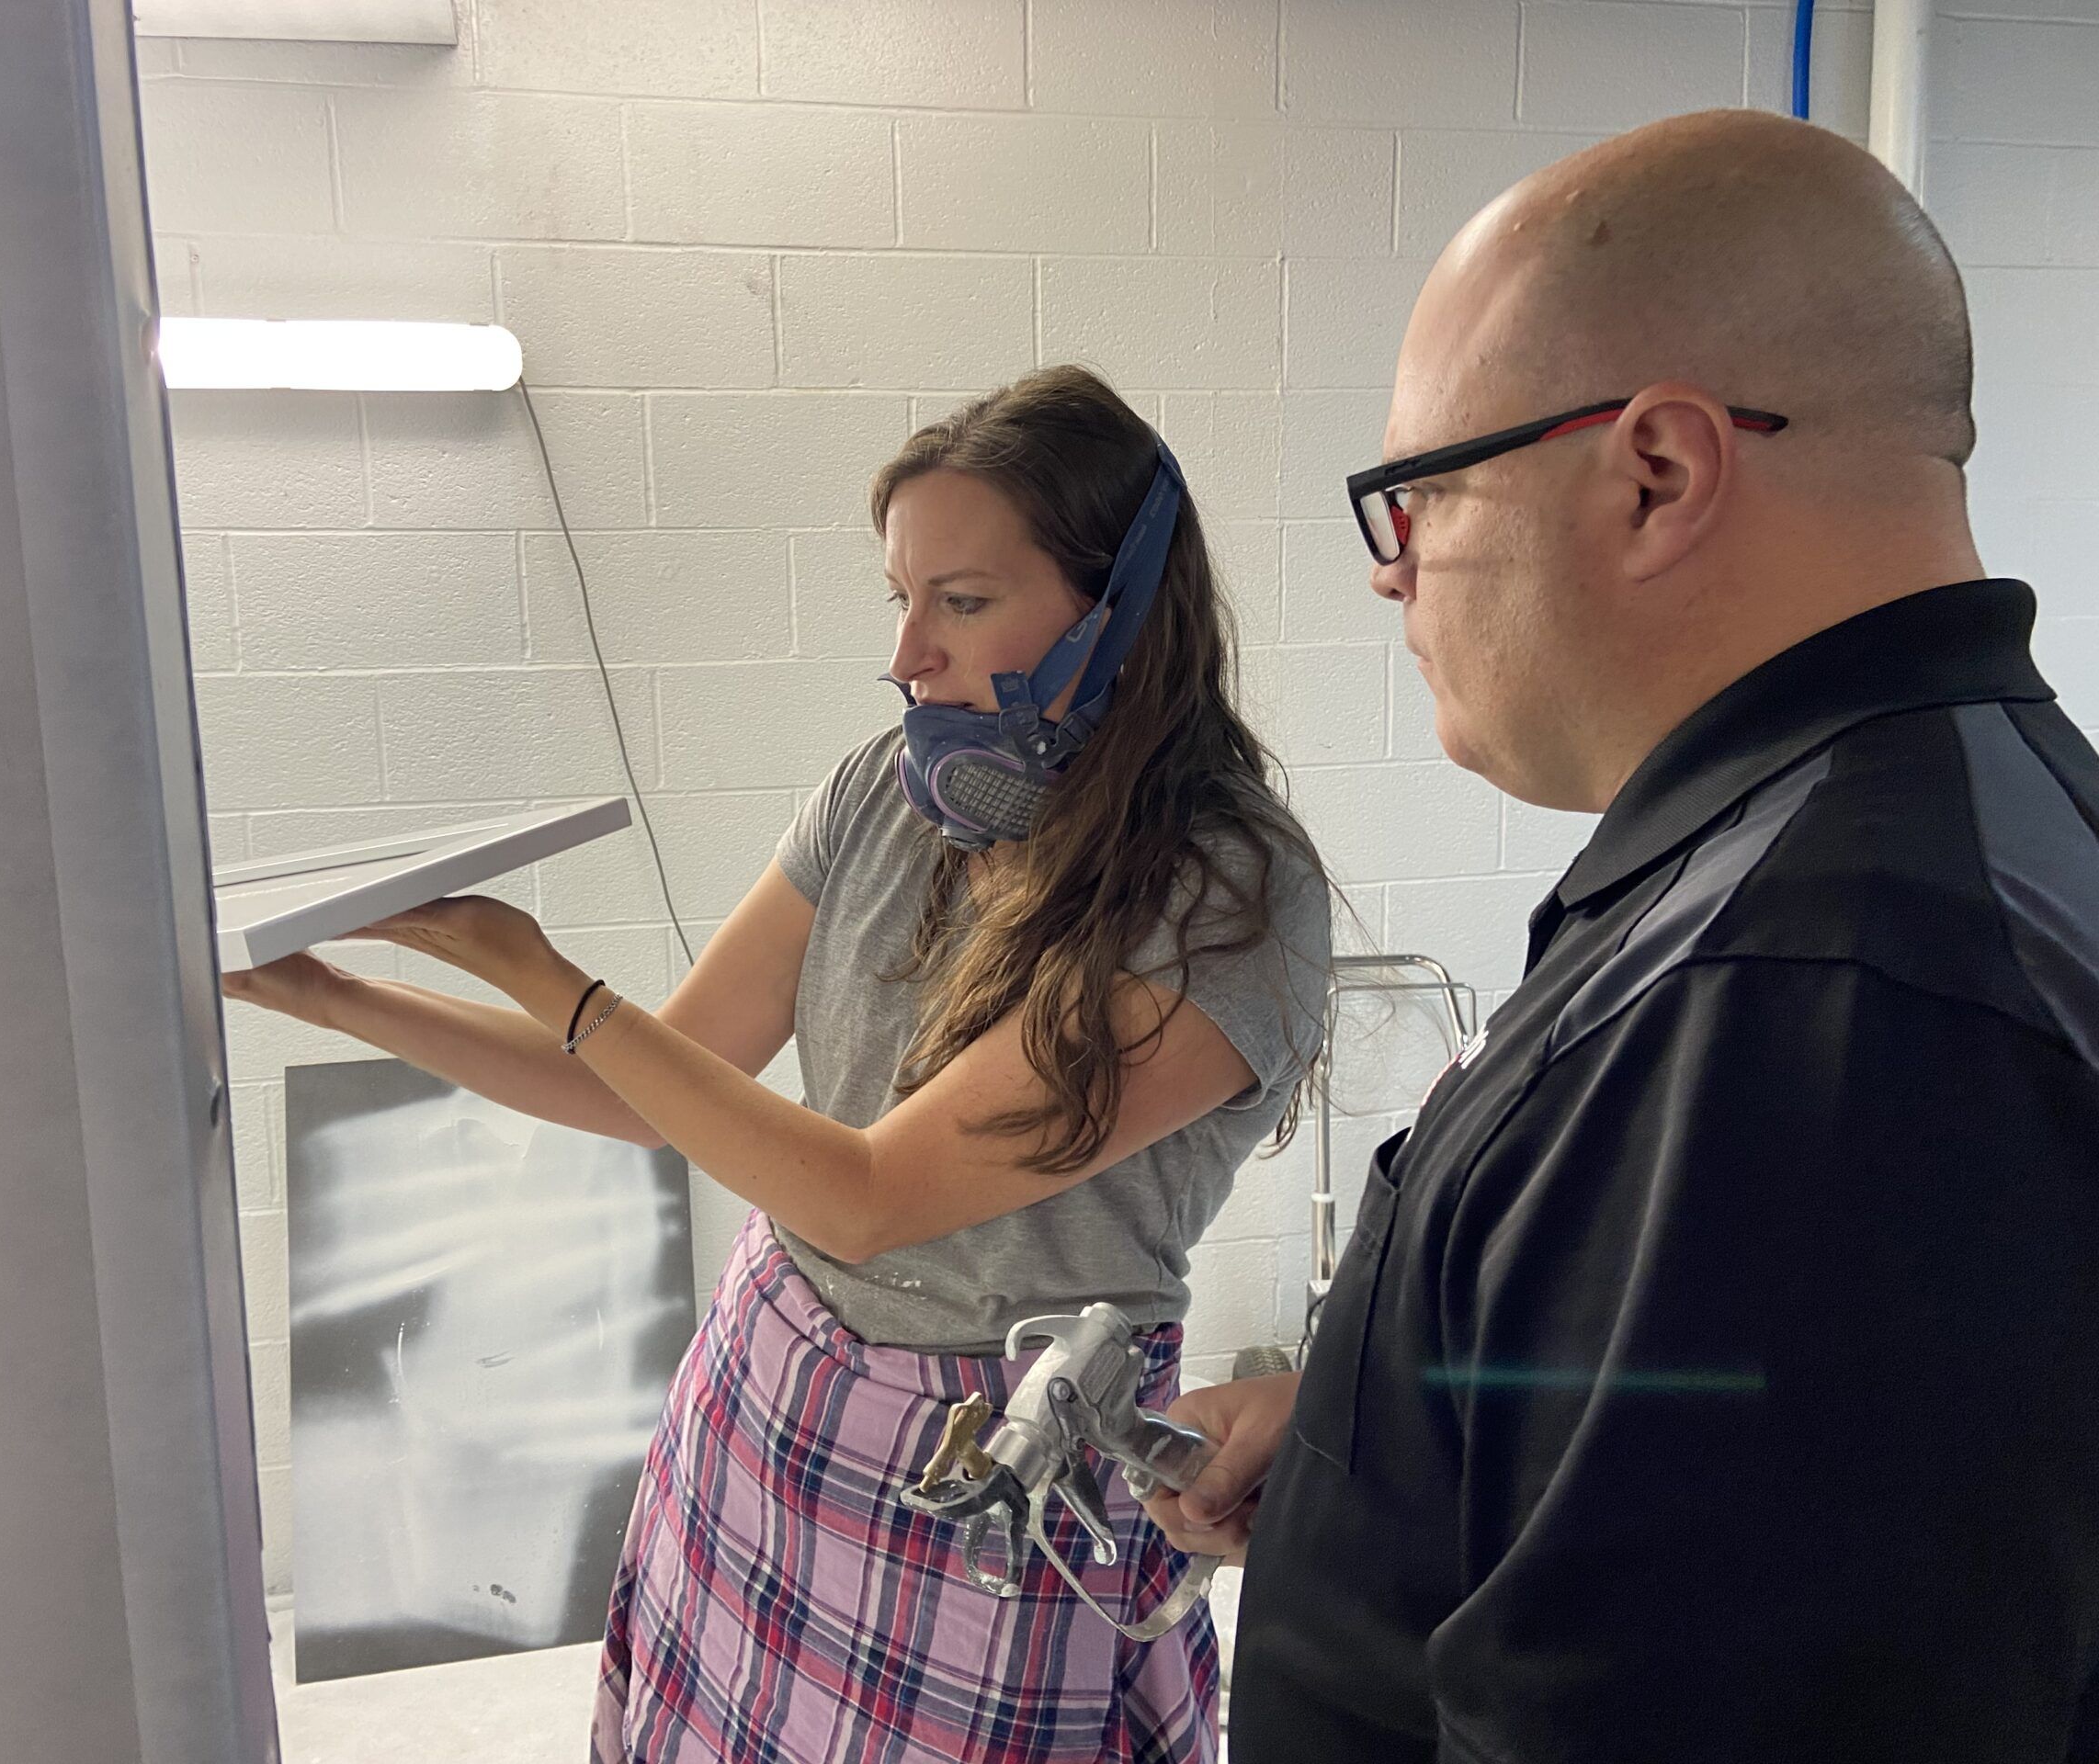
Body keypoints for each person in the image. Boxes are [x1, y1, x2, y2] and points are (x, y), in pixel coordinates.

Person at [1146, 108, 2099, 1761]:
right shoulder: (1893, 841)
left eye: (1416, 499)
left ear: (1655, 472)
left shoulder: (1814, 1006)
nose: (1396, 579)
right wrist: (1399, 1432)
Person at [223, 364, 1333, 1762]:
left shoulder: (1225, 896)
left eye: (965, 601)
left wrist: (535, 969)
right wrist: (332, 995)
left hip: (1002, 1451)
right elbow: (641, 1085)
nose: (907, 655)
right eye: (902, 598)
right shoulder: (882, 795)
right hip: (774, 1386)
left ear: (1121, 617)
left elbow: (867, 1194)